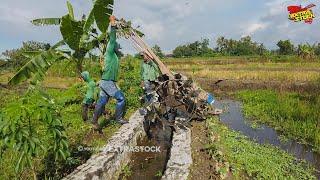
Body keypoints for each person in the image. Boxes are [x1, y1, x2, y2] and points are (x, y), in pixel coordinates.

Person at [92, 15, 127, 130]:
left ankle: (94, 121)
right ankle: (118, 119)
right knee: (121, 98)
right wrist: (113, 23)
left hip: (106, 81)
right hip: (107, 82)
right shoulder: (110, 50)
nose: (119, 49)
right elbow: (112, 38)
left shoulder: (114, 56)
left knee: (102, 101)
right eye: (118, 48)